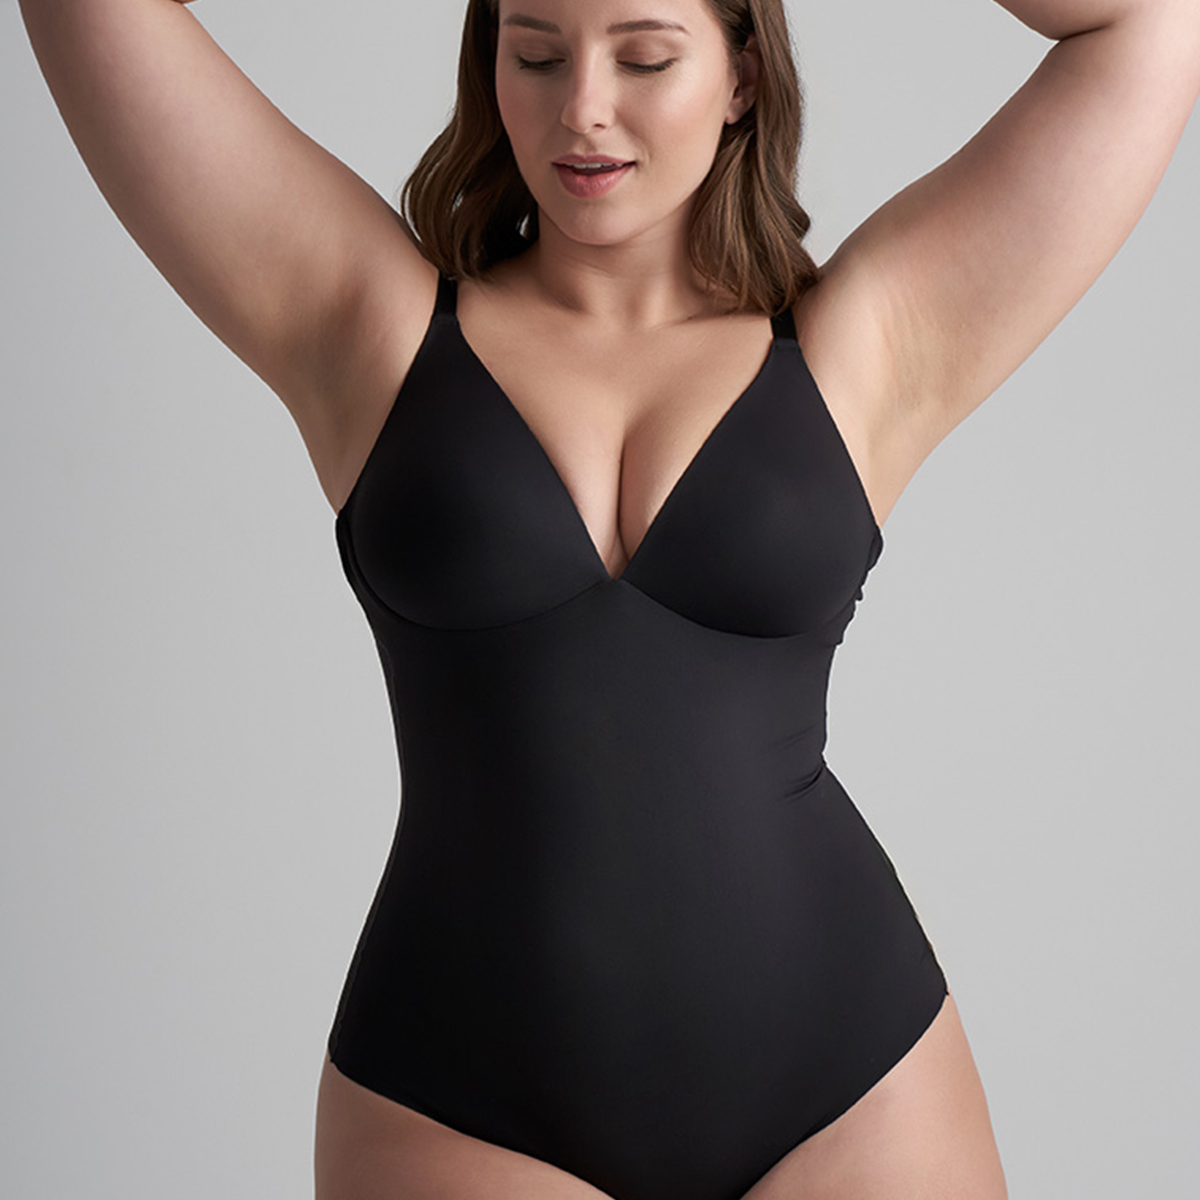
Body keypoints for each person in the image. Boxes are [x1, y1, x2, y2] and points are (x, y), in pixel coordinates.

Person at [17, 0, 1200, 1197]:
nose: (581, 107)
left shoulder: (863, 348)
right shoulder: (370, 328)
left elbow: (1145, 28)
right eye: (536, 53)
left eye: (644, 56)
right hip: (460, 1099)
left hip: (851, 1089)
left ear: (742, 76)